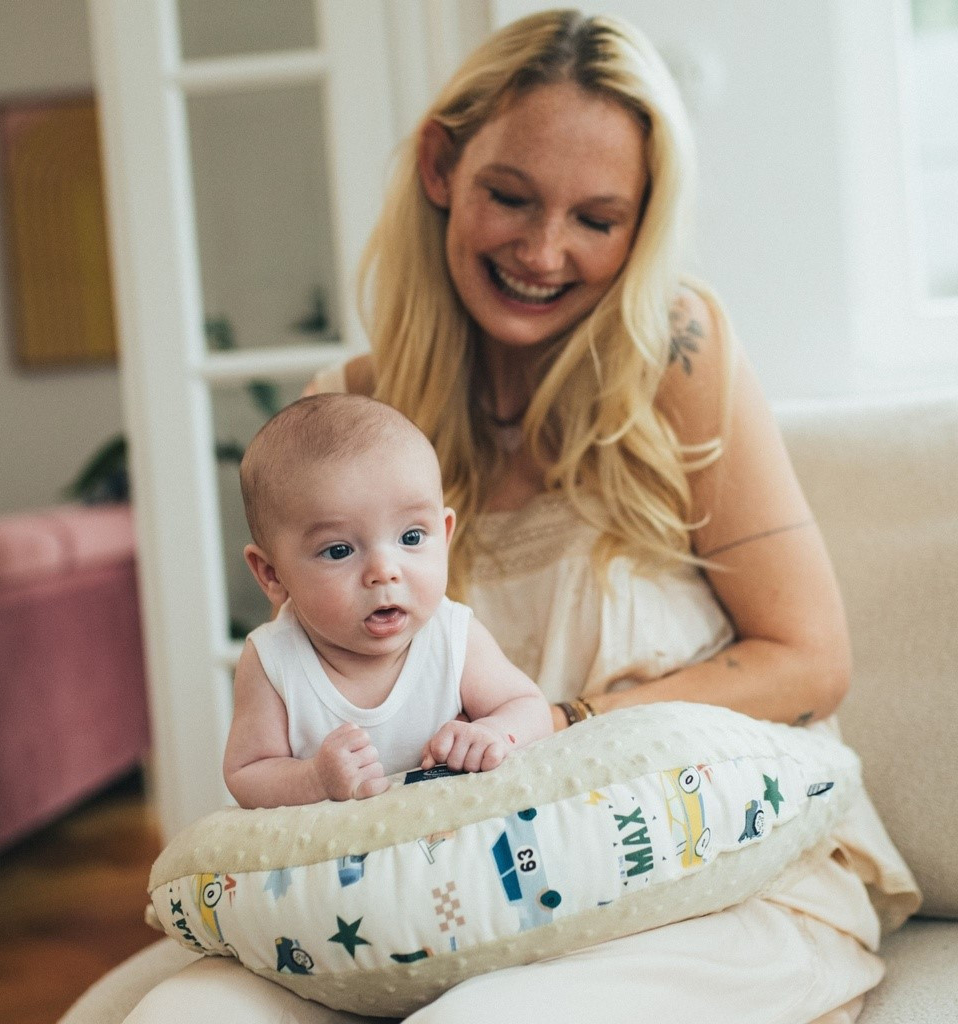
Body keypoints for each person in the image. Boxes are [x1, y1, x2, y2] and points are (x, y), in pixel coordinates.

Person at [125, 9, 919, 1023]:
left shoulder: (676, 355)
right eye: (510, 196)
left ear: (641, 225)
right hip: (443, 903)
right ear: (440, 167)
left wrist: (558, 728)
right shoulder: (348, 420)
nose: (544, 251)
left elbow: (808, 660)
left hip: (704, 872)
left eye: (598, 218)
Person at [223, 393, 553, 807]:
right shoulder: (274, 661)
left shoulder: (452, 636)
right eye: (339, 551)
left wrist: (491, 733)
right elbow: (247, 773)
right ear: (271, 574)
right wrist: (314, 778)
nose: (384, 571)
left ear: (444, 535)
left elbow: (529, 706)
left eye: (411, 537)